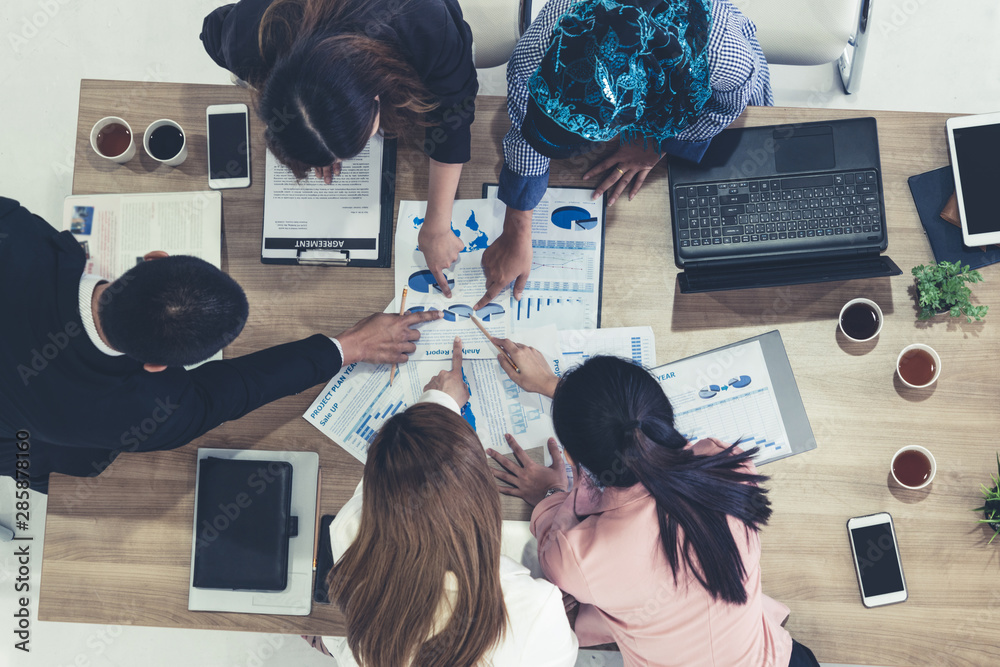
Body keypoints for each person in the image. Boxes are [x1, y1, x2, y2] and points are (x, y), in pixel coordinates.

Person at [0, 196, 439, 493]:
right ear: (155, 367)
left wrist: (349, 344)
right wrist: (352, 345)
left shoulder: (18, 235)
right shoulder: (138, 415)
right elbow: (240, 387)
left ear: (155, 258)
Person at [486, 348, 820, 667]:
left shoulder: (576, 558)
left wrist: (551, 492)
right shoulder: (731, 470)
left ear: (572, 461)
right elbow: (633, 429)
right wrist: (556, 387)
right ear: (665, 421)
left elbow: (553, 541)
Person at [478, 0, 772, 309]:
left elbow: (724, 108)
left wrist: (657, 142)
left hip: (705, 88)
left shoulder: (724, 57)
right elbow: (524, 97)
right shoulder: (560, 19)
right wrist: (518, 224)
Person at [312, 338, 578, 666]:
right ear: (483, 495)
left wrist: (438, 402)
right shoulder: (533, 610)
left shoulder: (349, 531)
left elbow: (393, 477)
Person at [201, 0, 478, 297]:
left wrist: (436, 226)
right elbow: (210, 31)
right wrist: (316, 133)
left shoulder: (422, 20)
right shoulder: (249, 35)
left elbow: (454, 116)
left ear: (376, 96)